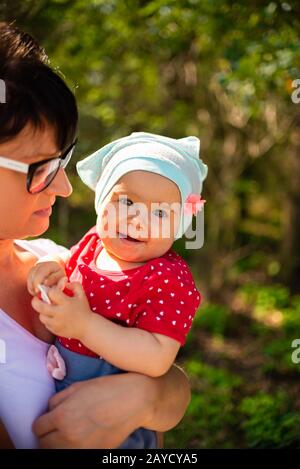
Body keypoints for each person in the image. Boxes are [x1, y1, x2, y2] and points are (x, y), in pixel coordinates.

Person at [0, 22, 191, 449]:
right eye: (40, 169)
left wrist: (147, 396)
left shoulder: (58, 260)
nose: (65, 188)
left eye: (62, 163)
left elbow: (173, 383)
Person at [28, 132, 208, 448]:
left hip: (115, 429)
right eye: (126, 201)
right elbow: (71, 266)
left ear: (181, 224)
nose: (137, 220)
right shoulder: (93, 243)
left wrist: (85, 326)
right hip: (61, 397)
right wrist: (55, 269)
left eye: (161, 212)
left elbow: (156, 359)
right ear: (102, 201)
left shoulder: (167, 278)